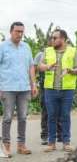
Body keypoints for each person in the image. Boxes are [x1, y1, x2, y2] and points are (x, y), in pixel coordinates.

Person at [38, 29, 77, 152]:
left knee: (65, 116)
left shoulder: (73, 51)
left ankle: (66, 142)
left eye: (55, 38)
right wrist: (47, 67)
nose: (52, 40)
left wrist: (70, 70)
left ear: (63, 39)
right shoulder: (47, 51)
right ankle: (51, 143)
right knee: (51, 116)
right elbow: (40, 66)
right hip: (50, 90)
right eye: (52, 38)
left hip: (67, 90)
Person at [0, 22, 38, 157]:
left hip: (24, 88)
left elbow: (31, 67)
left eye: (22, 31)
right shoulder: (2, 47)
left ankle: (21, 145)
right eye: (17, 31)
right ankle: (6, 146)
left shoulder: (26, 47)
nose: (20, 34)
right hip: (7, 87)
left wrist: (34, 84)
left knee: (22, 117)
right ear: (11, 31)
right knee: (8, 117)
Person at [33, 36, 62, 145]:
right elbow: (34, 70)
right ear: (49, 42)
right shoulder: (40, 55)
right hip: (45, 87)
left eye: (57, 39)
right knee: (46, 111)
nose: (55, 41)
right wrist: (33, 83)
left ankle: (60, 134)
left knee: (59, 110)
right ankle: (45, 135)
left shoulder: (61, 54)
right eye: (53, 40)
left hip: (59, 86)